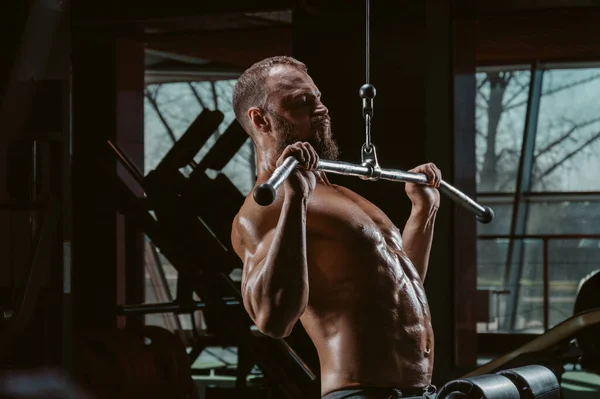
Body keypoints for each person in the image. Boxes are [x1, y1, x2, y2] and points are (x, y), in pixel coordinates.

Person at [231, 56, 441, 399]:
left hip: (418, 391)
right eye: (302, 102)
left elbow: (400, 285)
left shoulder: (343, 196)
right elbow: (271, 320)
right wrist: (295, 201)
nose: (321, 109)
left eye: (318, 98)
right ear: (261, 120)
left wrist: (423, 211)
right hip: (359, 393)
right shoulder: (264, 208)